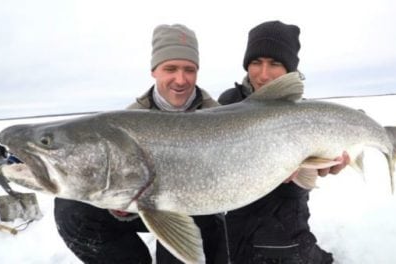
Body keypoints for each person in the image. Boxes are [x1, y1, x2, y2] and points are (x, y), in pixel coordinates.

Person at [54, 24, 228, 264]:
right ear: (154, 71)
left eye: (189, 70)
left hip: (199, 207)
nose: (180, 79)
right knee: (71, 208)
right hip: (145, 206)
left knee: (183, 246)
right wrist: (118, 206)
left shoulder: (220, 118)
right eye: (170, 69)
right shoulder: (126, 121)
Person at [218, 20, 350, 264]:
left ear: (289, 69)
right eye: (256, 63)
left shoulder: (304, 115)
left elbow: (315, 169)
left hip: (288, 231)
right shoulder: (228, 103)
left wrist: (325, 164)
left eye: (275, 63)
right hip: (237, 230)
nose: (264, 74)